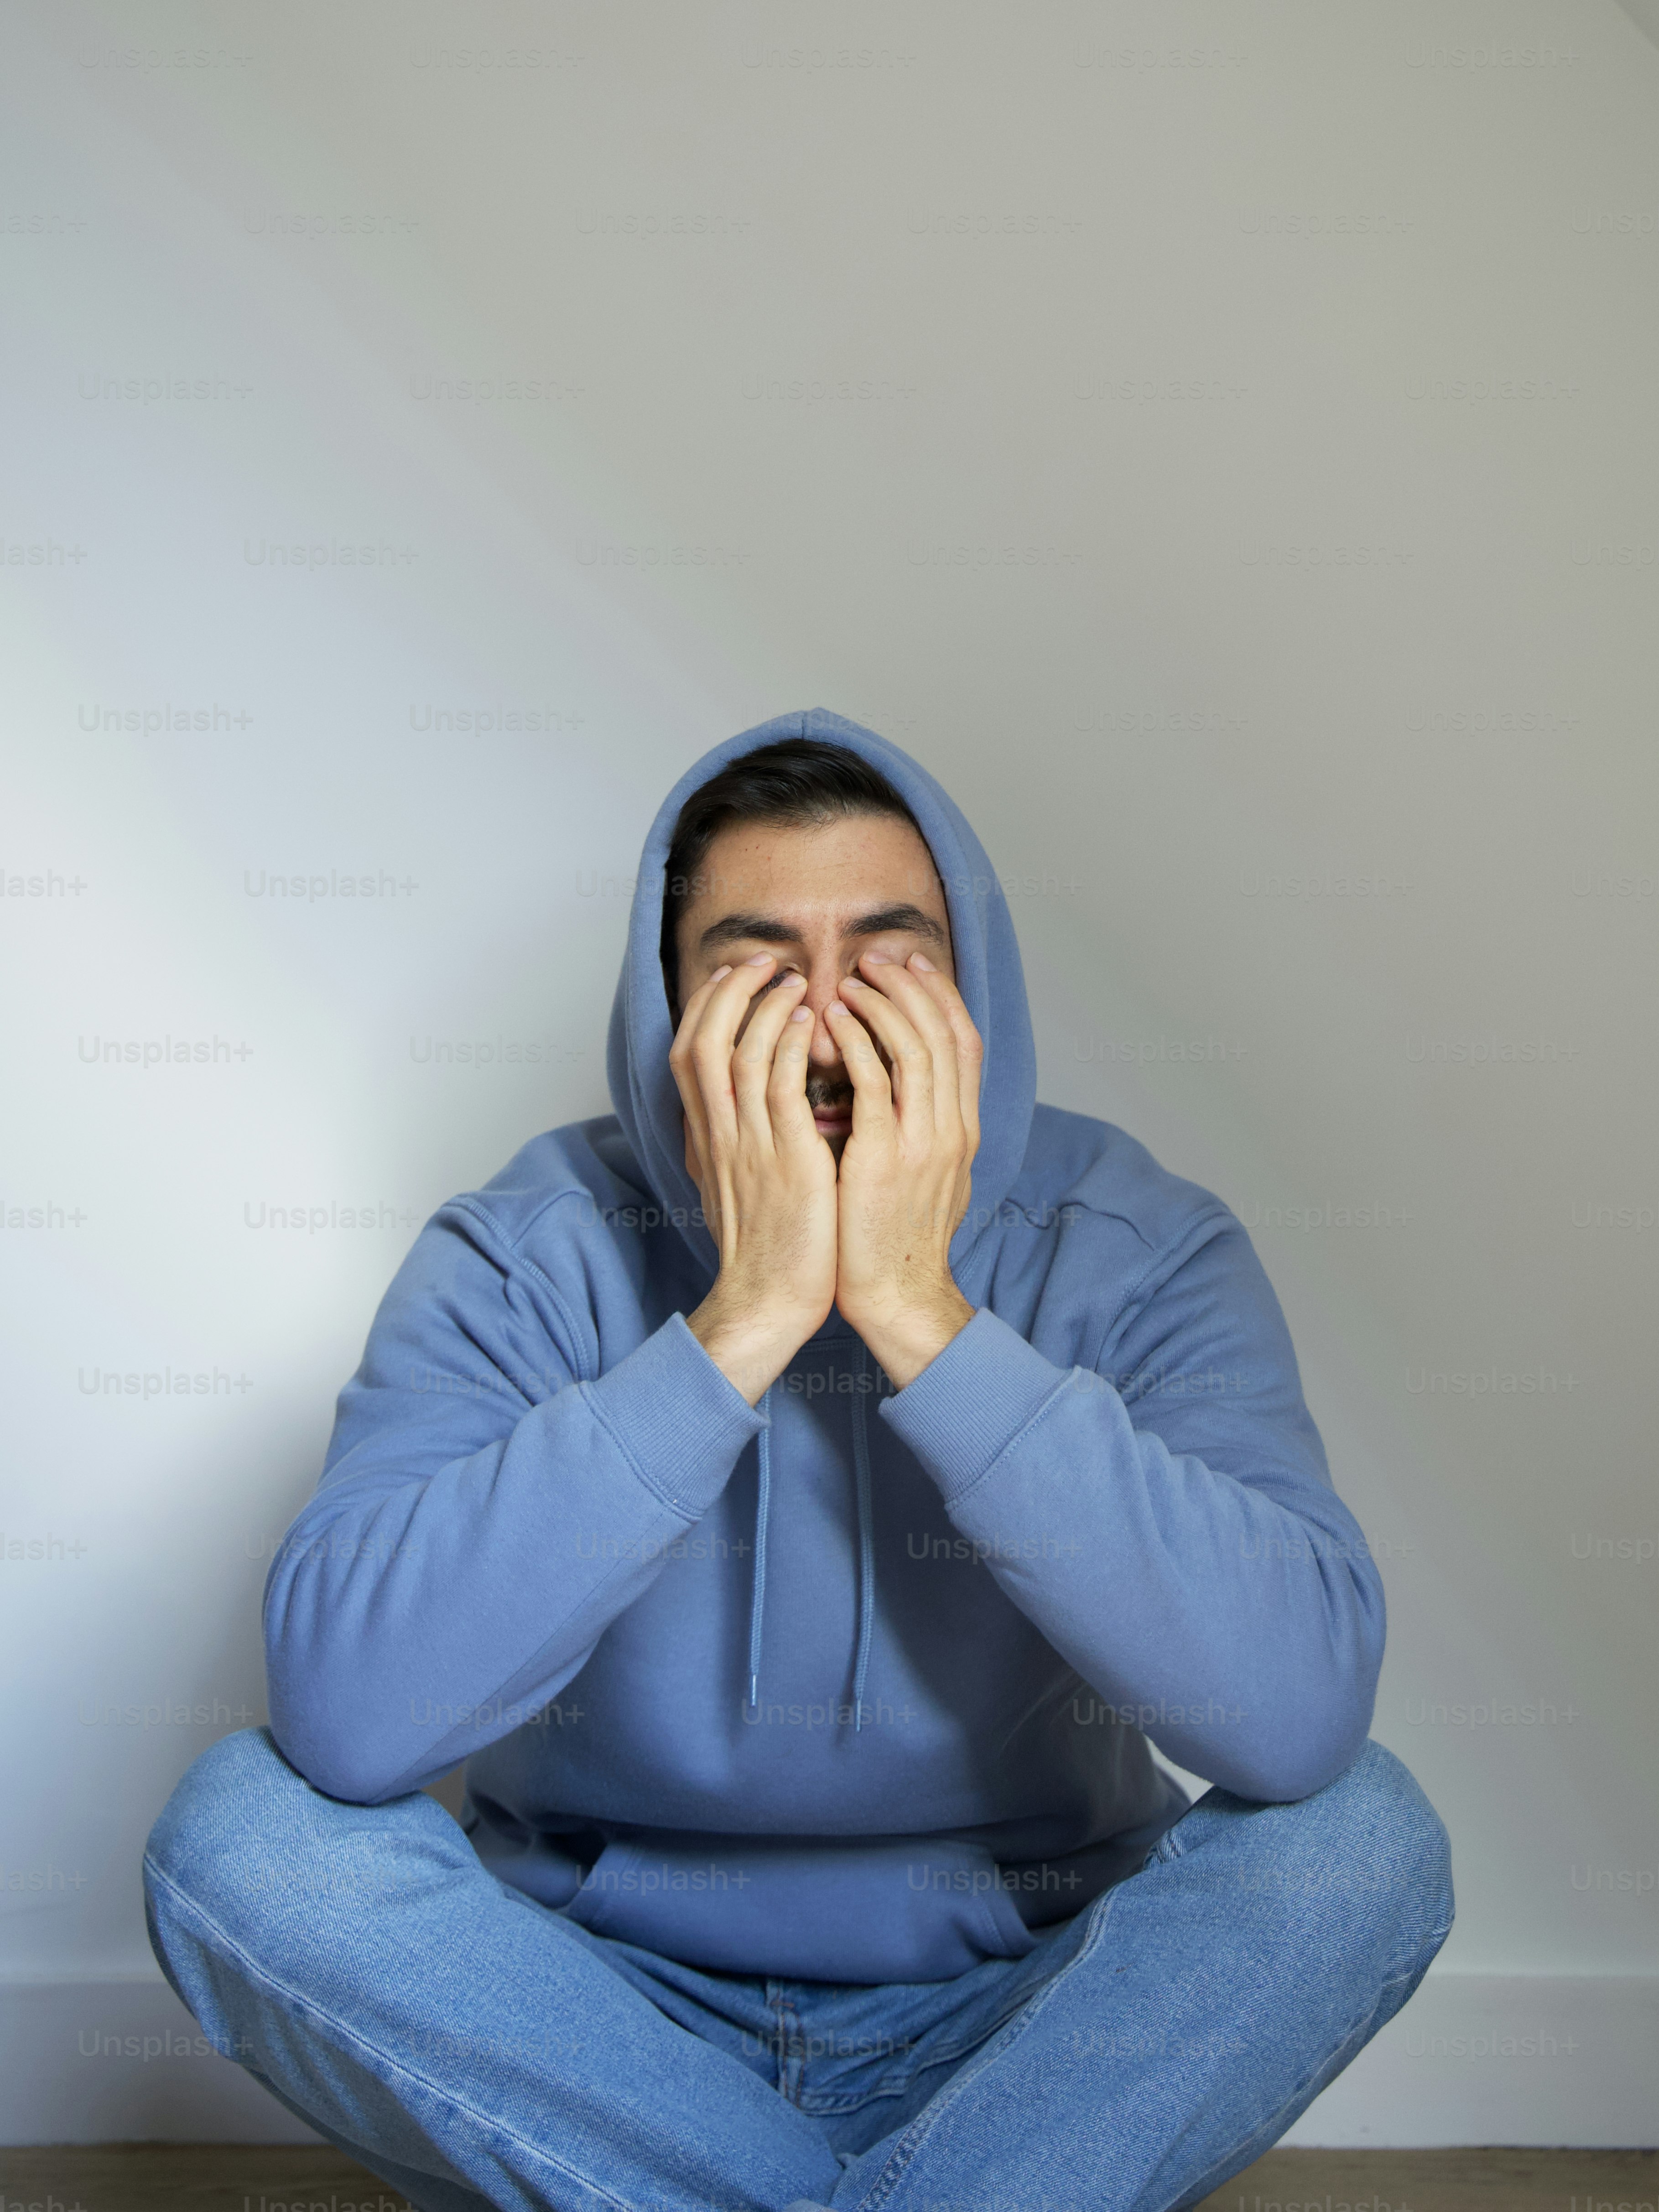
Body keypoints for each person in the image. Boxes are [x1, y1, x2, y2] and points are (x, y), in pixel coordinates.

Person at [145, 709, 1452, 2212]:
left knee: (1365, 1846)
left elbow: (1292, 1718)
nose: (826, 1024)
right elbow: (348, 1720)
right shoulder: (521, 1250)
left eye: (887, 958)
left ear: (973, 998)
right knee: (243, 1840)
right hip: (594, 2026)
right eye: (759, 969)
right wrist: (739, 1321)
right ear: (666, 1012)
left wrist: (923, 1315)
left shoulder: (1139, 1244)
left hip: (1024, 2024)